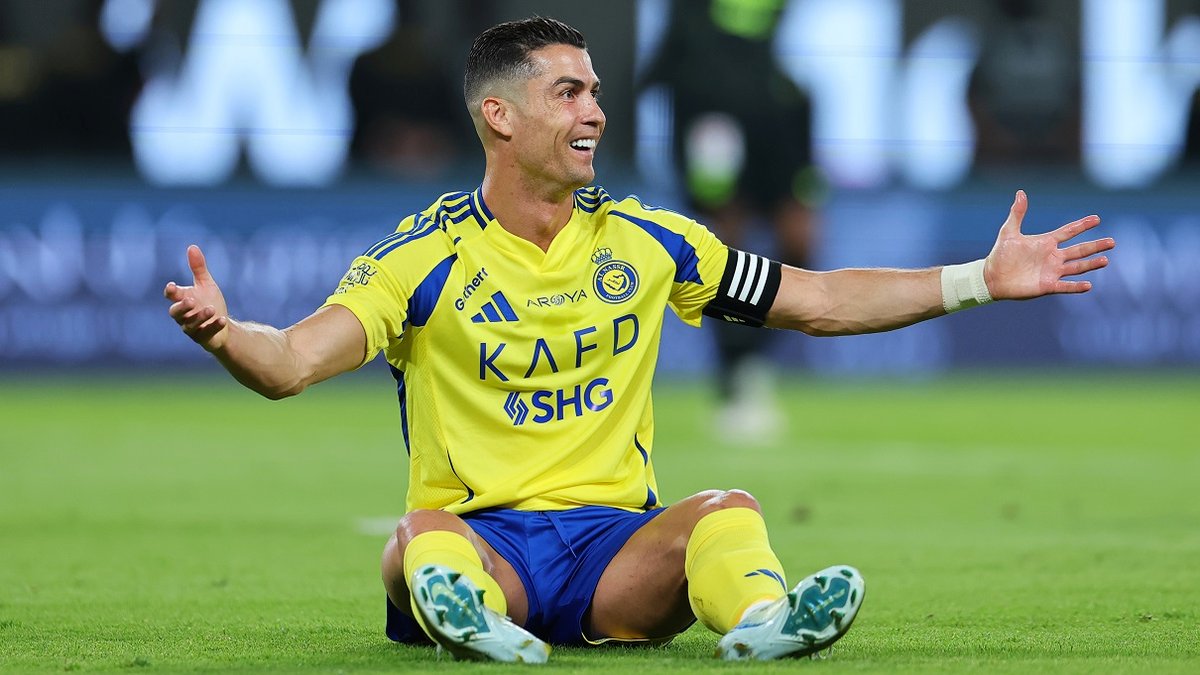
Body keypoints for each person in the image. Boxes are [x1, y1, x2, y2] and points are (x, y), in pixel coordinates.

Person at [164, 17, 1114, 664]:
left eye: (595, 92)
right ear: (500, 115)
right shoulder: (420, 261)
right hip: (486, 539)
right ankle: (478, 620)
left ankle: (766, 620)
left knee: (726, 508)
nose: (596, 113)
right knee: (416, 539)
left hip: (615, 554)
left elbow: (819, 298)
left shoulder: (650, 241)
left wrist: (978, 279)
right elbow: (292, 361)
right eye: (569, 93)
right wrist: (227, 334)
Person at [641, 0, 819, 440]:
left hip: (771, 116)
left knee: (801, 237)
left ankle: (748, 357)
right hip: (711, 118)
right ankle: (736, 376)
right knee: (725, 246)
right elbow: (673, 50)